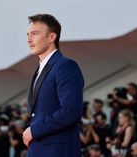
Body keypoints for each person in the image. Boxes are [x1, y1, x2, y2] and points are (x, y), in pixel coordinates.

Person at [22, 14, 84, 157]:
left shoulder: (65, 66)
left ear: (51, 37)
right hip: (38, 149)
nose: (29, 39)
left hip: (57, 151)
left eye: (35, 34)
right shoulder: (40, 70)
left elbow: (71, 111)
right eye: (28, 35)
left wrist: (34, 129)